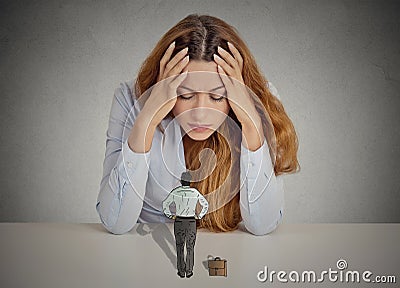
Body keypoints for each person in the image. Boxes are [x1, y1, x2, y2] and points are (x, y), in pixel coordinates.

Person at [96, 13, 299, 236]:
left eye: (217, 97)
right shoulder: (129, 99)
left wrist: (251, 123)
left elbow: (263, 225)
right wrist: (147, 118)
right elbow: (114, 221)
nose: (200, 114)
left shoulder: (261, 100)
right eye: (185, 96)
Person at [162, 171, 208, 278]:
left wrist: (170, 215)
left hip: (179, 221)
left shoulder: (176, 192)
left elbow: (165, 204)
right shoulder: (195, 192)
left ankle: (181, 271)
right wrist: (200, 216)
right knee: (190, 247)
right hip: (191, 221)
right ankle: (189, 270)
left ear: (181, 181)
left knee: (179, 246)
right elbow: (205, 204)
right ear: (190, 182)